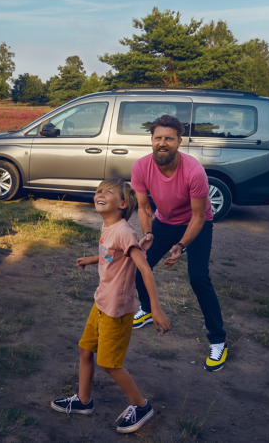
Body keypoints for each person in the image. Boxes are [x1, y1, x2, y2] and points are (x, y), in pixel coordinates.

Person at [50, 179, 170, 434]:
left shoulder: (124, 232)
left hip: (116, 310)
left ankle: (141, 406)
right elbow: (111, 255)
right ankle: (83, 401)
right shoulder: (109, 226)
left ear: (123, 204)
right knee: (85, 350)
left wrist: (155, 309)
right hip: (101, 302)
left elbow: (144, 269)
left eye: (107, 192)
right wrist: (92, 259)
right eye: (97, 191)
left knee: (110, 364)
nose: (99, 194)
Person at [131, 114, 228, 372]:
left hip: (197, 223)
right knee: (139, 264)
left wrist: (182, 245)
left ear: (179, 142)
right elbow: (143, 207)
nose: (163, 143)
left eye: (169, 139)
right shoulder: (140, 167)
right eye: (158, 138)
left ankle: (218, 340)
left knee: (198, 277)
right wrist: (148, 233)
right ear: (151, 140)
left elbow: (198, 215)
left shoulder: (194, 171)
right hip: (164, 222)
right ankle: (147, 308)